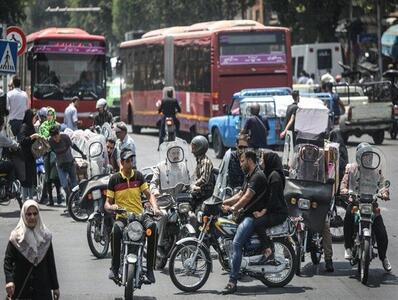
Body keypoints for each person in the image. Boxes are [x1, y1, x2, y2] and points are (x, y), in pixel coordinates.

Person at [105, 149, 161, 283]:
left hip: (140, 216)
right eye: (128, 161)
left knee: (153, 228)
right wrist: (112, 207)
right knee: (116, 230)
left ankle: (150, 270)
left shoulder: (139, 176)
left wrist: (155, 207)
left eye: (132, 161)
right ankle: (114, 268)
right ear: (122, 163)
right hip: (123, 217)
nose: (131, 164)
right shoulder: (114, 179)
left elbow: (149, 195)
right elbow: (107, 204)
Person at [221, 150, 267, 294]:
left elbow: (246, 198)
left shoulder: (257, 176)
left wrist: (233, 208)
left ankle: (232, 281)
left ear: (249, 160)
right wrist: (221, 202)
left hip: (252, 216)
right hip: (245, 214)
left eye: (242, 161)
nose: (240, 164)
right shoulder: (249, 175)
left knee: (237, 243)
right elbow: (240, 194)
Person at [340, 142, 392, 272]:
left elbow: (382, 185)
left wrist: (384, 192)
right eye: (365, 155)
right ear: (359, 157)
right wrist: (345, 190)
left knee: (382, 233)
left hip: (371, 204)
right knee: (348, 217)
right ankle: (348, 248)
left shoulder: (376, 171)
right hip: (356, 203)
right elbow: (344, 184)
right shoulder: (351, 169)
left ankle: (384, 257)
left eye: (369, 156)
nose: (368, 158)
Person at [4, 200, 59, 300]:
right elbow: (8, 261)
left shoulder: (45, 237)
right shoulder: (16, 237)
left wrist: (55, 287)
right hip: (22, 288)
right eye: (28, 214)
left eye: (35, 213)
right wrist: (9, 281)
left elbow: (50, 263)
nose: (32, 217)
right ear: (24, 216)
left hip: (42, 290)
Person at [252, 152, 289, 263]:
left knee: (257, 223)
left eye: (263, 160)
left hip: (278, 213)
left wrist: (262, 213)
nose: (261, 162)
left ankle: (267, 249)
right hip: (274, 211)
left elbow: (272, 200)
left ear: (269, 161)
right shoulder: (270, 174)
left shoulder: (275, 177)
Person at [48, 126, 86, 202]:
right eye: (54, 137)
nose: (56, 139)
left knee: (74, 184)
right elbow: (50, 152)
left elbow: (73, 146)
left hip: (70, 163)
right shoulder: (51, 141)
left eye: (56, 136)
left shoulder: (65, 137)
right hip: (60, 165)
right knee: (64, 185)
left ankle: (77, 201)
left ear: (59, 134)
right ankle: (69, 199)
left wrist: (82, 153)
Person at [39, 108, 63, 205]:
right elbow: (43, 137)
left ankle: (59, 196)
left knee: (55, 176)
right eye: (48, 115)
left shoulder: (58, 125)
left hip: (55, 153)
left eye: (51, 114)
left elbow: (57, 138)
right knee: (47, 177)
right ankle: (50, 200)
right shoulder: (43, 126)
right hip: (46, 153)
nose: (49, 116)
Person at [18, 110, 41, 201]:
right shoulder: (24, 127)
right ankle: (24, 200)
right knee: (25, 180)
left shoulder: (31, 127)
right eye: (34, 117)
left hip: (31, 156)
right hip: (25, 157)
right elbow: (22, 141)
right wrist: (33, 136)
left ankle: (30, 199)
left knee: (31, 179)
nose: (35, 119)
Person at [190, 135, 214, 211]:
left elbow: (204, 179)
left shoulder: (205, 162)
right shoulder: (199, 160)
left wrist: (194, 184)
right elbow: (194, 176)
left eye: (194, 148)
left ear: (200, 148)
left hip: (205, 194)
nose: (192, 151)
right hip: (199, 192)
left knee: (197, 212)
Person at [0, 116, 19, 181]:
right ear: (2, 125)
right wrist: (17, 144)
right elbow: (12, 144)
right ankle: (9, 188)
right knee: (11, 166)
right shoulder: (1, 136)